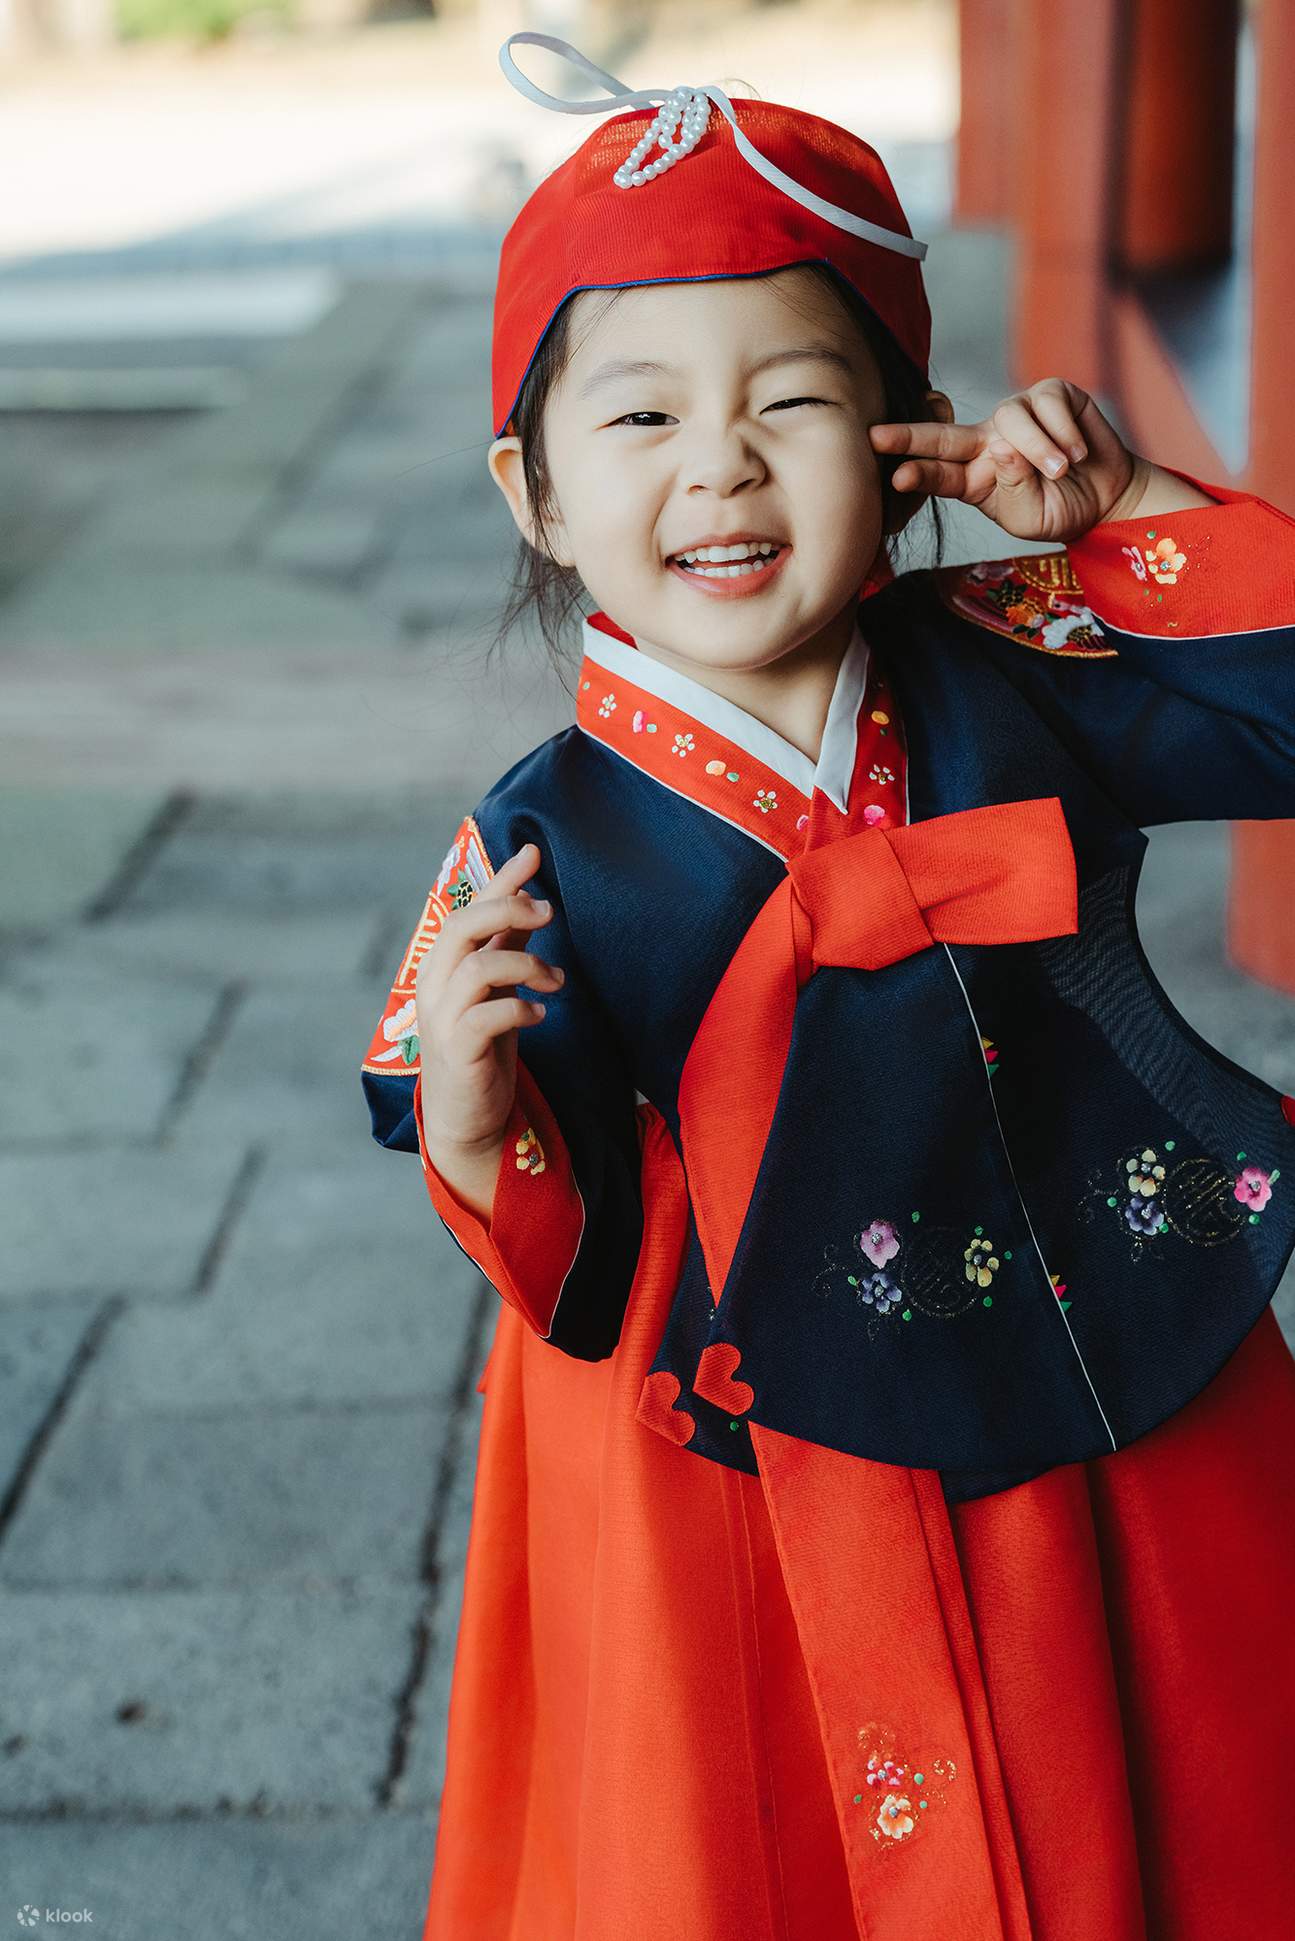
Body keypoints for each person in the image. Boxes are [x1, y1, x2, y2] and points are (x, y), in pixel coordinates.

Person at [362, 35, 1295, 1940]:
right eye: (636, 422)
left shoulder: (1018, 651)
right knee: (756, 1828)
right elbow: (496, 1155)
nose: (719, 463)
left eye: (792, 398)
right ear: (531, 492)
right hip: (741, 1422)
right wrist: (475, 1111)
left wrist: (1120, 522)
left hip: (1061, 1309)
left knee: (1175, 1744)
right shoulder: (551, 829)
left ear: (913, 436)